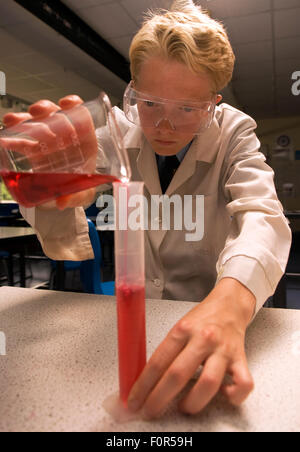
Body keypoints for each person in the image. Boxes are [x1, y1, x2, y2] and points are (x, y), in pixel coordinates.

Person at [3, 0, 291, 418]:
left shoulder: (233, 133)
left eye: (188, 109)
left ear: (213, 102)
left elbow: (264, 216)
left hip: (206, 313)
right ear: (132, 87)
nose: (164, 126)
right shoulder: (116, 129)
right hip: (130, 323)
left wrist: (231, 305)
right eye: (150, 103)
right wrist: (55, 191)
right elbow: (58, 202)